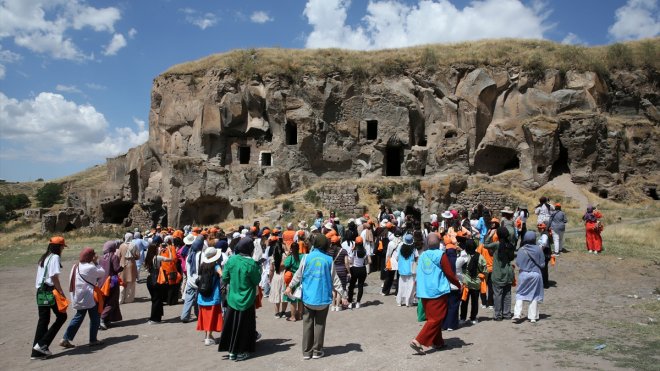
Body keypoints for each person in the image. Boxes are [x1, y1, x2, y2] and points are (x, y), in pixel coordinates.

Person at [285, 235, 348, 360]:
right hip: (323, 298)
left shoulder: (307, 257)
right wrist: (343, 295)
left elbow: (298, 274)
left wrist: (290, 286)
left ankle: (307, 352)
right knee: (320, 325)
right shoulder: (329, 260)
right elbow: (335, 280)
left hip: (308, 297)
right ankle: (317, 351)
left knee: (307, 324)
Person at [409, 233, 460, 355]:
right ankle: (418, 340)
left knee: (433, 317)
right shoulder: (441, 255)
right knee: (437, 318)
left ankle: (438, 342)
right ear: (439, 243)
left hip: (424, 291)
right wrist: (458, 284)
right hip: (437, 291)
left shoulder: (422, 255)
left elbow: (419, 272)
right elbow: (449, 272)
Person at [218, 237, 262, 361]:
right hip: (247, 299)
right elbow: (257, 280)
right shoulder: (251, 263)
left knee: (231, 324)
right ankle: (242, 351)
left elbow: (225, 277)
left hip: (232, 298)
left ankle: (231, 351)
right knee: (245, 327)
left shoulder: (231, 260)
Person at [60, 247, 105, 348]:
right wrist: (96, 262)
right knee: (95, 317)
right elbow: (102, 272)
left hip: (77, 296)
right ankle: (93, 339)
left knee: (78, 317)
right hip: (88, 297)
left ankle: (66, 338)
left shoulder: (75, 266)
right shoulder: (90, 267)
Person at [31, 237, 68, 360]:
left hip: (40, 291)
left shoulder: (44, 256)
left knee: (43, 320)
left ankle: (36, 352)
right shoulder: (55, 257)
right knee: (62, 316)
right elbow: (54, 277)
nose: (63, 248)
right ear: (59, 247)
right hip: (49, 291)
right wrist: (61, 292)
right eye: (62, 246)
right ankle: (42, 344)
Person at [485, 226, 515, 321]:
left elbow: (485, 244)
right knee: (507, 294)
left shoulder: (497, 245)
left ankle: (498, 315)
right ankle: (507, 313)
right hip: (508, 273)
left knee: (497, 295)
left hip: (498, 274)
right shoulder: (510, 245)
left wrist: (490, 235)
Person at [514, 232, 545, 323]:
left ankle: (517, 314)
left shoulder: (521, 249)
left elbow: (518, 263)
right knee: (534, 294)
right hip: (535, 274)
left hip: (523, 274)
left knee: (520, 293)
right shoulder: (538, 249)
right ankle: (533, 317)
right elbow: (542, 264)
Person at [196, 247, 224, 346]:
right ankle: (208, 337)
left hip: (202, 295)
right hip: (213, 295)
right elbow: (223, 276)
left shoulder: (202, 265)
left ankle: (208, 336)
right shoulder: (216, 266)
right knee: (212, 316)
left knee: (205, 316)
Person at [459, 239, 486, 325]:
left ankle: (462, 318)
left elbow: (460, 268)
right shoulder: (481, 257)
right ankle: (473, 318)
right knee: (474, 302)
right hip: (476, 284)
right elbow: (485, 270)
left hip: (466, 283)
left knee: (464, 301)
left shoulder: (465, 257)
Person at [145, 243, 172, 324]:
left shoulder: (148, 257)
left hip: (149, 280)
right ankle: (155, 319)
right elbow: (170, 259)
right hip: (157, 279)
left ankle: (155, 317)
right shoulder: (158, 257)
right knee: (157, 299)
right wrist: (169, 250)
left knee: (154, 299)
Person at [99, 240, 123, 330]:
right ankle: (102, 319)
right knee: (111, 302)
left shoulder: (101, 258)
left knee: (104, 301)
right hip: (112, 282)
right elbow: (117, 269)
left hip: (102, 282)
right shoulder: (114, 257)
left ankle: (107, 320)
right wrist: (122, 267)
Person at [181, 236, 204, 323]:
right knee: (198, 300)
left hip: (190, 281)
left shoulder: (189, 256)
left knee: (188, 299)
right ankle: (199, 315)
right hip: (198, 281)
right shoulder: (201, 255)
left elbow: (187, 268)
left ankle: (184, 316)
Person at [394, 234, 418, 307]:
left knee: (401, 286)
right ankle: (408, 302)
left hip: (402, 270)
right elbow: (416, 258)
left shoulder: (400, 248)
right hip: (411, 270)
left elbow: (396, 258)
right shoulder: (413, 249)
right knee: (410, 287)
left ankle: (400, 301)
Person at [283, 242, 305, 320]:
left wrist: (288, 254)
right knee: (300, 299)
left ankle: (292, 317)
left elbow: (284, 265)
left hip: (292, 279)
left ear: (291, 249)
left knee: (293, 299)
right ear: (299, 248)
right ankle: (299, 315)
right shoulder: (302, 256)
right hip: (301, 279)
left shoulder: (290, 258)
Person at [347, 236, 370, 309]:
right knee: (360, 286)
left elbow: (350, 261)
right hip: (362, 269)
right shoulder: (365, 251)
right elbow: (369, 261)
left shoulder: (354, 251)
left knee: (351, 286)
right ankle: (358, 303)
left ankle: (350, 302)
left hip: (354, 269)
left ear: (356, 243)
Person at [268, 238, 288, 318]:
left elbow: (271, 270)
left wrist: (270, 279)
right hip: (284, 276)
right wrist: (285, 245)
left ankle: (277, 313)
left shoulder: (273, 257)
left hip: (276, 276)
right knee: (284, 295)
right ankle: (283, 312)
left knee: (277, 294)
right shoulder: (286, 256)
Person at [329, 236, 349, 312]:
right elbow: (346, 262)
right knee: (340, 289)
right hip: (342, 271)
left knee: (333, 289)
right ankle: (338, 306)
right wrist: (349, 272)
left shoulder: (329, 251)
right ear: (338, 242)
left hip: (333, 271)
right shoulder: (343, 251)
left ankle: (333, 305)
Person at [118, 234, 139, 304]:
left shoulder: (121, 246)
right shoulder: (134, 245)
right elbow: (138, 256)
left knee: (122, 282)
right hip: (131, 265)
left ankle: (120, 298)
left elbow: (118, 256)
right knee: (131, 282)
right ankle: (128, 299)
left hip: (122, 265)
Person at [537, 223, 552, 289]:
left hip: (545, 253)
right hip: (545, 253)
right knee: (544, 269)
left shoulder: (544, 235)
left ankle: (544, 284)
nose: (538, 229)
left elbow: (544, 244)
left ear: (542, 228)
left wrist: (539, 251)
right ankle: (544, 283)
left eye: (539, 228)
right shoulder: (544, 234)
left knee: (543, 269)